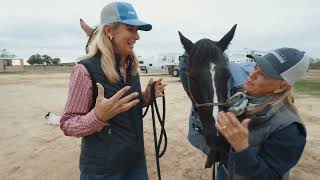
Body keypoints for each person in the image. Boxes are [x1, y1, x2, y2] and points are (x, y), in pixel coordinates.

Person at [60, 2, 166, 180]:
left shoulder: (131, 66)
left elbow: (125, 107)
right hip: (103, 169)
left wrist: (146, 98)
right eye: (131, 29)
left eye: (137, 30)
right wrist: (97, 116)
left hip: (135, 161)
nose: (137, 36)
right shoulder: (84, 70)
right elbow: (67, 124)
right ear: (109, 31)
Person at [179, 48, 309, 180]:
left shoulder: (289, 128)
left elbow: (269, 176)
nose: (252, 75)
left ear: (281, 87)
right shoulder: (237, 96)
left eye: (263, 74)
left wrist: (242, 147)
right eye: (256, 67)